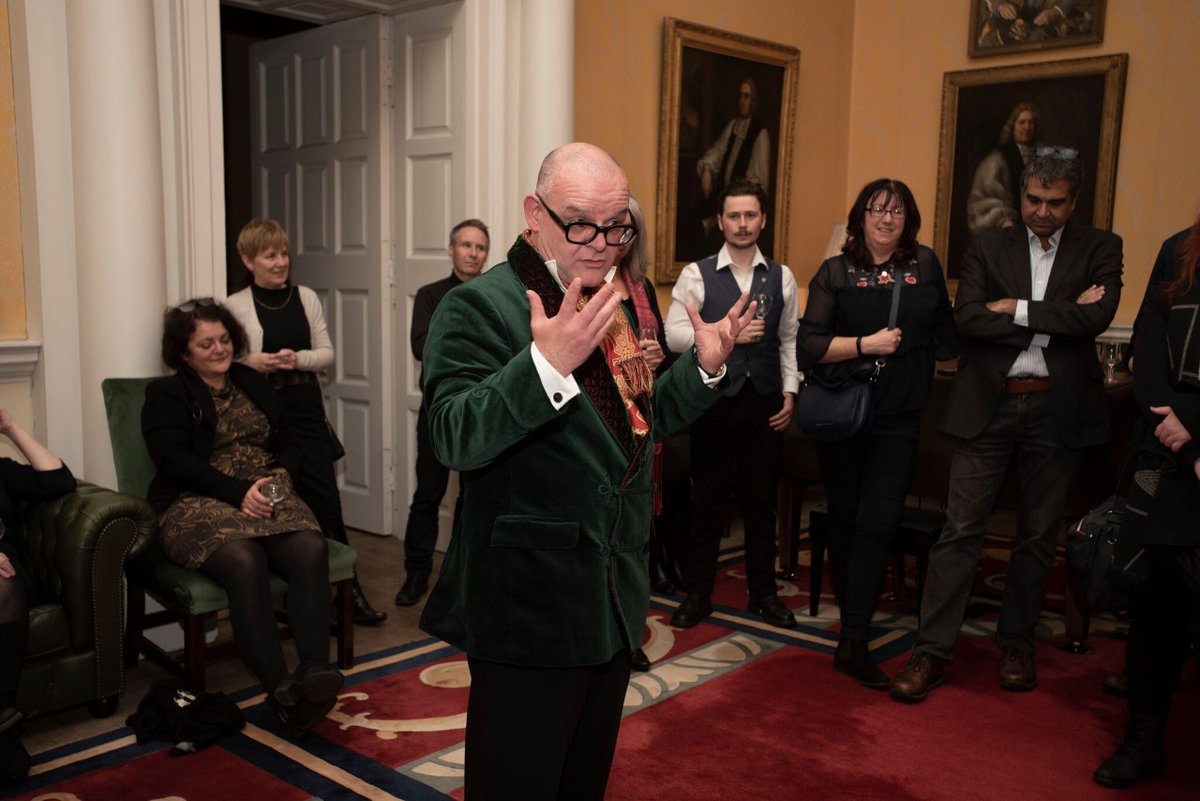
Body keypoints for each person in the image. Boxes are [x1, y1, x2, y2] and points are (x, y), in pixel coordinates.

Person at [417, 142, 754, 799]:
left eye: (617, 226)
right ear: (533, 213)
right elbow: (452, 434)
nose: (602, 244)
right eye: (580, 224)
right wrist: (543, 367)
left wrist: (705, 366)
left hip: (610, 601)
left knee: (579, 784)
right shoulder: (479, 306)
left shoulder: (609, 297)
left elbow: (637, 425)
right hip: (529, 606)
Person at [890, 151, 1123, 702]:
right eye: (1034, 200)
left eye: (1056, 202)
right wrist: (1056, 316)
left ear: (1074, 199)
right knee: (960, 531)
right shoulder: (989, 245)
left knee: (1039, 536)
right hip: (988, 407)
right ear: (1021, 195)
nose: (1042, 212)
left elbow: (1096, 317)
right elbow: (968, 318)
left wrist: (1016, 308)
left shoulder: (1100, 248)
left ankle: (1016, 643)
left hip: (1056, 410)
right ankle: (930, 652)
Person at [142, 300, 343, 738]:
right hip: (194, 499)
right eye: (206, 343)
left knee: (309, 546)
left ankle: (312, 669)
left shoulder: (253, 380)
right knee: (244, 559)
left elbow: (290, 439)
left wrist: (279, 478)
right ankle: (280, 691)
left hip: (265, 487)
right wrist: (238, 492)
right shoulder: (166, 395)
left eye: (225, 339)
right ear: (183, 352)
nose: (219, 349)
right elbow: (173, 460)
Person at [797, 178, 957, 689]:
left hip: (899, 418)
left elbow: (948, 338)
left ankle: (854, 639)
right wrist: (867, 344)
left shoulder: (926, 266)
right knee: (844, 521)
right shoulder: (836, 272)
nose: (886, 219)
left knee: (877, 525)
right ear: (860, 217)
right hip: (845, 415)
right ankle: (853, 635)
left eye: (897, 212)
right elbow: (809, 347)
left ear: (908, 220)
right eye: (877, 210)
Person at [225, 219, 386, 626]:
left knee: (326, 503)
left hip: (307, 411)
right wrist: (253, 362)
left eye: (283, 253)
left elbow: (327, 353)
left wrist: (297, 359)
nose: (280, 263)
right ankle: (290, 600)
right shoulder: (233, 306)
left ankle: (348, 597)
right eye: (269, 255)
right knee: (277, 503)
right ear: (248, 260)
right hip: (262, 418)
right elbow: (224, 362)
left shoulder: (306, 297)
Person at [1092, 216, 1200, 789]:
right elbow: (1145, 351)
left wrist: (1198, 425)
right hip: (1167, 454)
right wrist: (1185, 441)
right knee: (1157, 609)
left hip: (1190, 435)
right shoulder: (1178, 249)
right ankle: (1144, 737)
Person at [665, 178, 800, 631]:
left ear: (762, 220)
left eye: (750, 215)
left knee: (762, 505)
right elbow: (675, 335)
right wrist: (727, 333)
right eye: (734, 216)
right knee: (708, 501)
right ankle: (697, 595)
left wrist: (790, 390)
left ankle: (764, 595)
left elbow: (788, 340)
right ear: (721, 221)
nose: (742, 224)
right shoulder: (696, 274)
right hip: (714, 403)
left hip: (763, 401)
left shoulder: (781, 276)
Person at [394, 218, 490, 608]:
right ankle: (416, 573)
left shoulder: (495, 293)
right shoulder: (430, 295)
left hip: (484, 409)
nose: (472, 253)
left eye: (480, 247)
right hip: (440, 410)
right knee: (428, 494)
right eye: (465, 245)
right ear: (451, 250)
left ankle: (468, 575)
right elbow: (422, 347)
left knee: (476, 496)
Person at [0, 408, 76, 783]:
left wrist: (11, 427)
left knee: (3, 580)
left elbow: (60, 482)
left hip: (6, 571)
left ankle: (3, 718)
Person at [966, 102, 1040, 234]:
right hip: (1008, 229)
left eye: (1031, 123)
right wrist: (1005, 221)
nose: (1027, 127)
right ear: (1012, 126)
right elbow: (983, 197)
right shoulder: (997, 159)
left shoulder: (1044, 157)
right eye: (1022, 122)